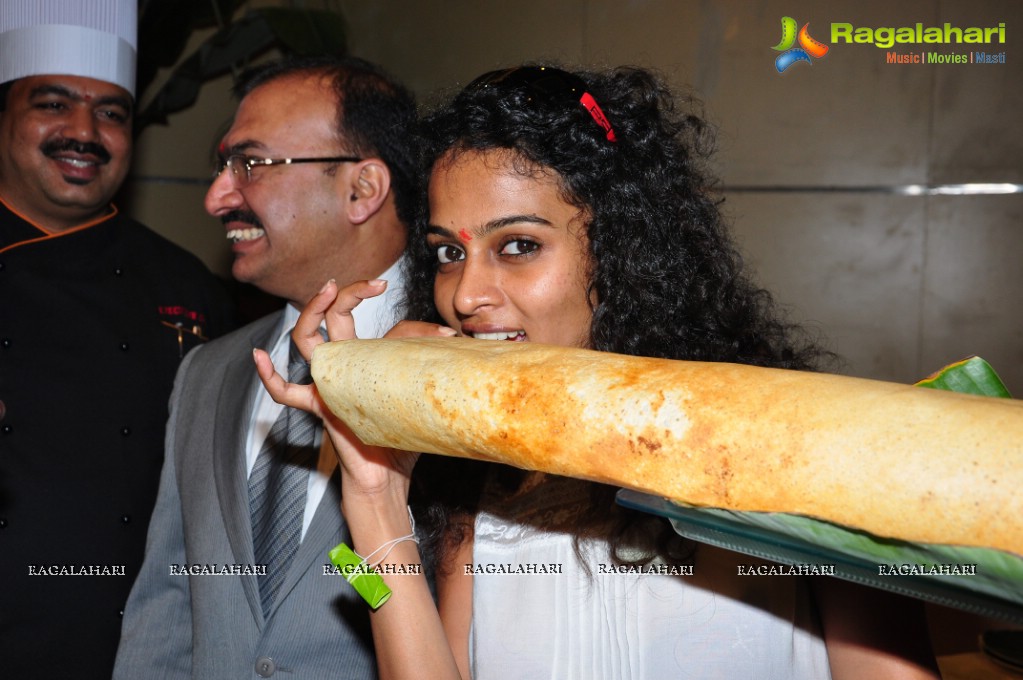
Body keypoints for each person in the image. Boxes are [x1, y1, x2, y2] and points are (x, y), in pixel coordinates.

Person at [260, 64, 942, 679]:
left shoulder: (796, 449)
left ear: (617, 250)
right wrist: (375, 508)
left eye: (518, 246)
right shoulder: (478, 489)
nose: (464, 295)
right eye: (446, 254)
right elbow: (380, 593)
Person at [113, 55, 421, 679]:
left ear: (362, 189)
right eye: (222, 167)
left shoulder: (459, 363)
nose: (216, 196)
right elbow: (169, 601)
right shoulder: (209, 371)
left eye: (250, 165)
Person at [0, 2, 235, 678]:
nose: (85, 132)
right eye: (54, 103)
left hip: (129, 650)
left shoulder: (187, 284)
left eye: (111, 113)